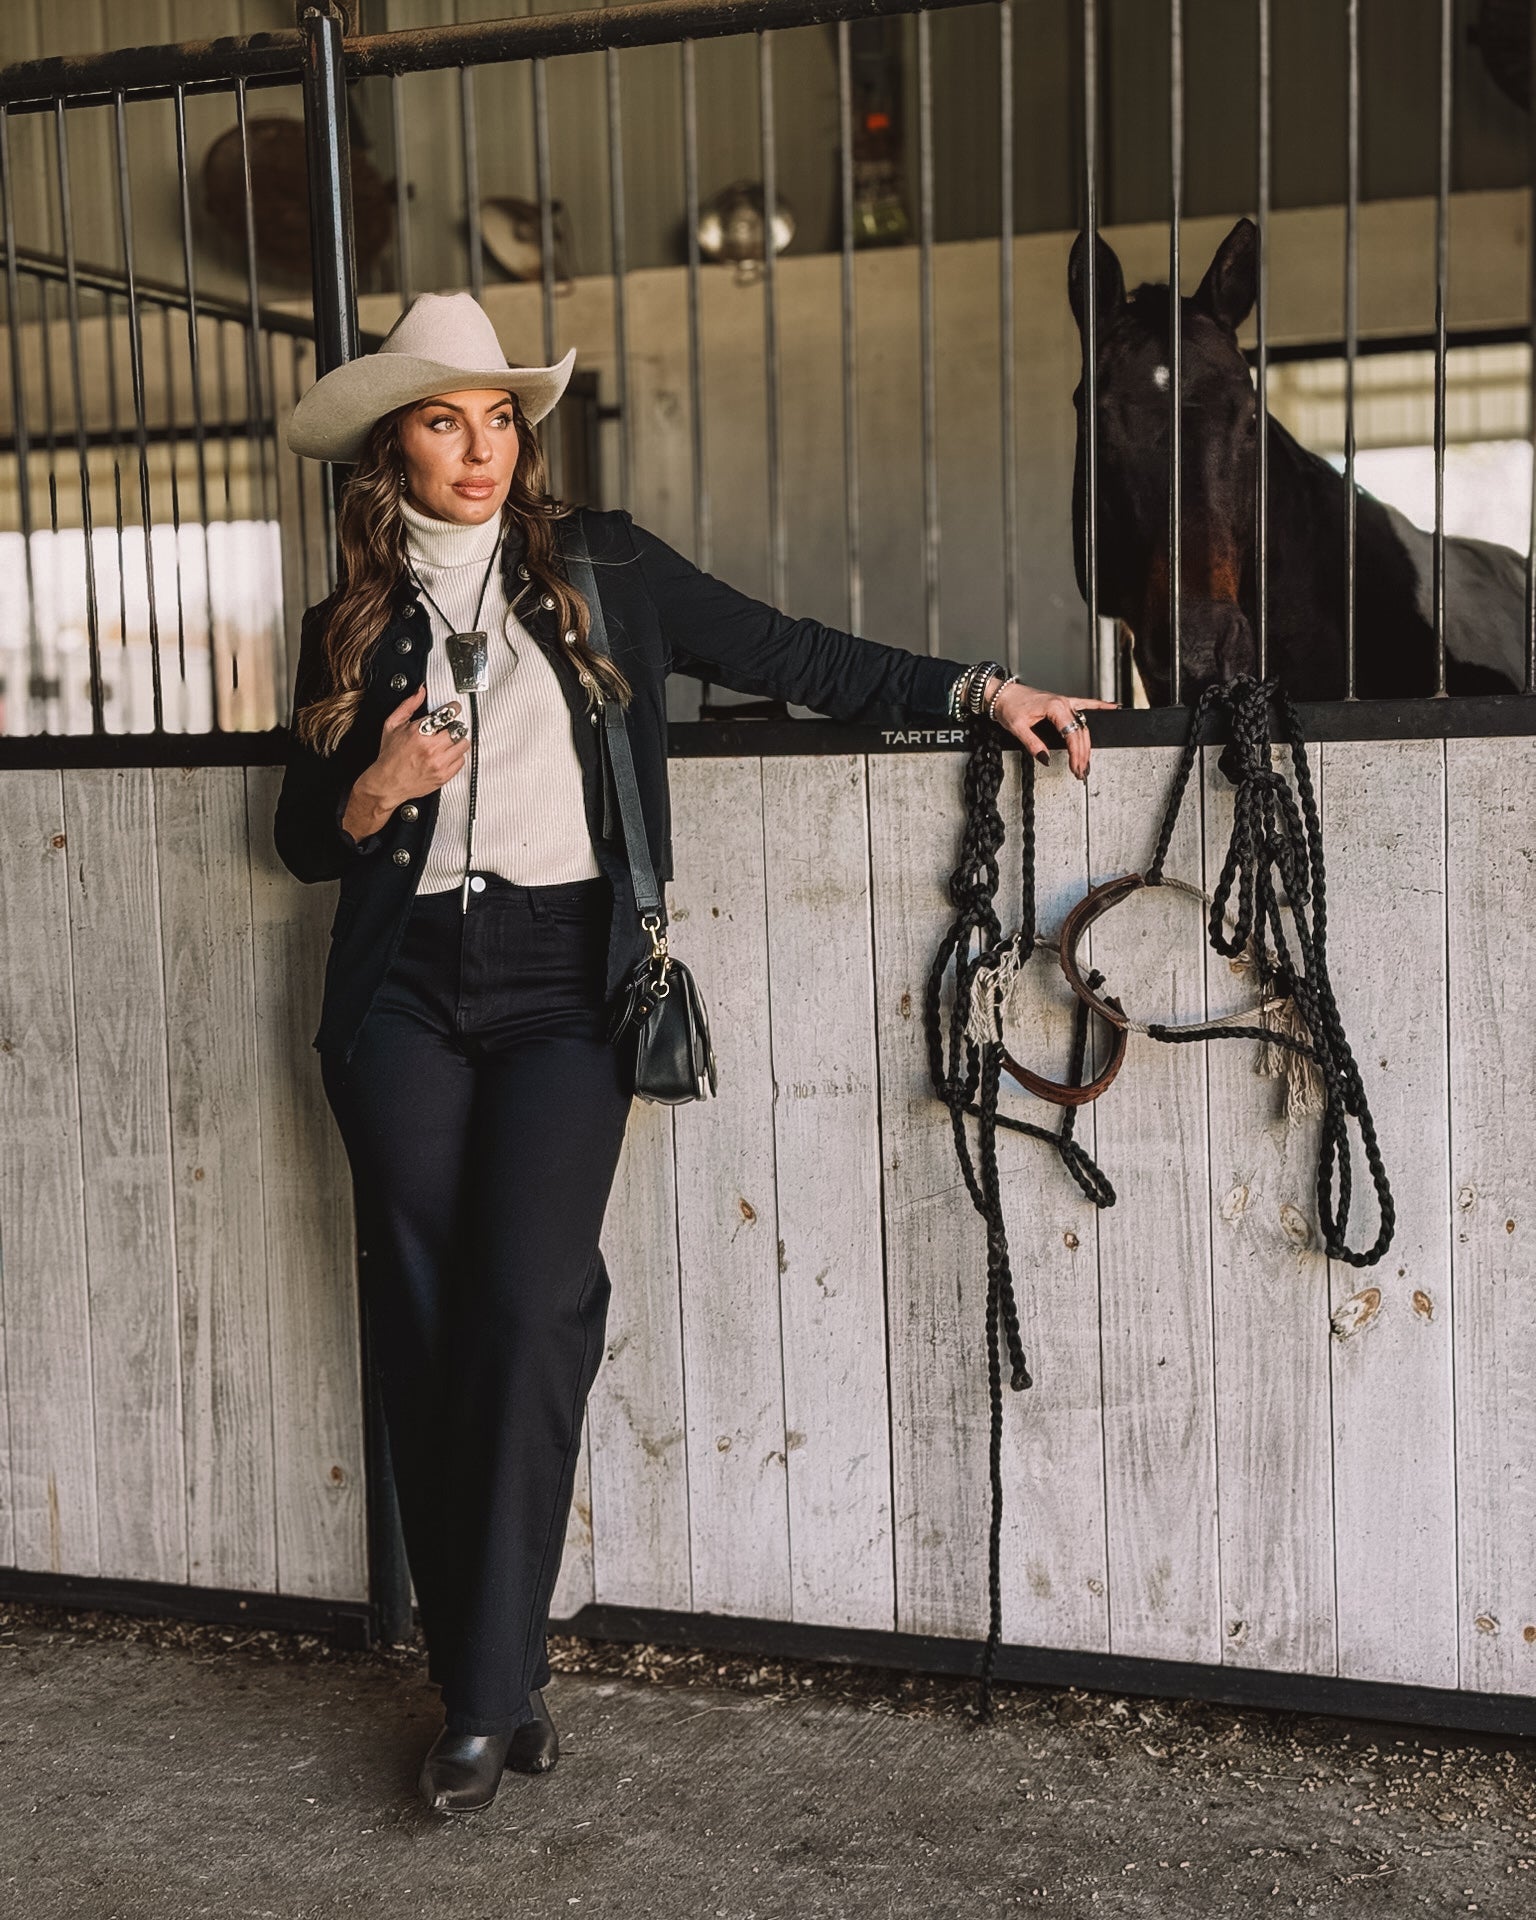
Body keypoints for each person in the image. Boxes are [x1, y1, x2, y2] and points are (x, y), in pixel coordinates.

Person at [275, 291, 1113, 1816]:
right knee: (419, 1316)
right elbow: (296, 839)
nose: (479, 448)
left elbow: (794, 651)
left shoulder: (602, 568)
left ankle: (480, 1681)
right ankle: (494, 1687)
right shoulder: (356, 615)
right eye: (444, 420)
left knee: (529, 1306)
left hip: (559, 984)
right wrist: (378, 783)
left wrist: (987, 692)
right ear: (393, 443)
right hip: (397, 994)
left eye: (498, 418)